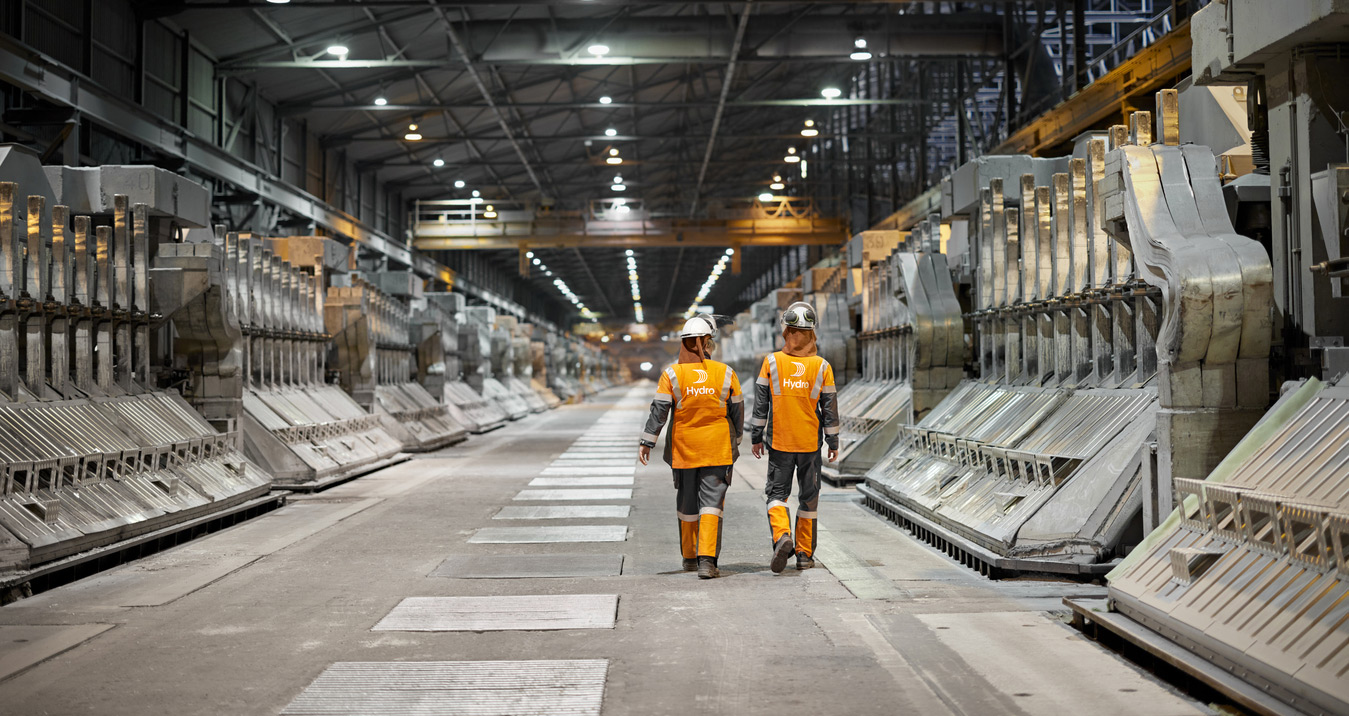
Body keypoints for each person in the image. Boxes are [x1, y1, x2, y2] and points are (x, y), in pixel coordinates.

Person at [639, 314, 744, 579]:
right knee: (712, 504)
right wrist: (737, 440)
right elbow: (737, 412)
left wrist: (647, 441)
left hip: (684, 450)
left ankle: (689, 558)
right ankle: (707, 561)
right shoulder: (725, 372)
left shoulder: (672, 374)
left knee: (687, 503)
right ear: (707, 343)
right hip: (717, 449)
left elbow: (659, 411)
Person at [749, 301, 840, 573]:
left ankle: (782, 536)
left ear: (786, 331)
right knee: (809, 500)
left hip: (780, 442)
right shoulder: (822, 366)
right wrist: (833, 442)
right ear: (813, 332)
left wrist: (756, 435)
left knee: (777, 494)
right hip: (810, 444)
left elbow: (761, 404)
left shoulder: (772, 362)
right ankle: (804, 554)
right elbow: (830, 408)